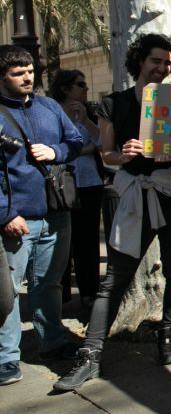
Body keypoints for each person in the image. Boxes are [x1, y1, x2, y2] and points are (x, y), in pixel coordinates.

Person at [54, 34, 171, 392]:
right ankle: (90, 355)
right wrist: (127, 153)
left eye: (167, 63)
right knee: (114, 278)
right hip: (135, 196)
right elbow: (106, 155)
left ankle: (169, 333)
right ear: (139, 61)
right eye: (156, 61)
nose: (162, 68)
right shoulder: (112, 104)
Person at [0, 46, 83, 386]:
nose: (28, 77)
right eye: (19, 73)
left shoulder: (49, 107)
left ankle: (53, 340)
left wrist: (56, 151)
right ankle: (6, 358)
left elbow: (77, 140)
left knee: (49, 283)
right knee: (6, 293)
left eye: (30, 70)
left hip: (56, 213)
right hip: (15, 222)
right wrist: (5, 213)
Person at [49, 69, 105, 309]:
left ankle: (89, 292)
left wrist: (87, 121)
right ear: (65, 88)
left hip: (90, 183)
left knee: (88, 240)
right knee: (62, 240)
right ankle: (58, 293)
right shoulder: (52, 112)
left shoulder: (90, 111)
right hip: (62, 184)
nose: (86, 89)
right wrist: (80, 148)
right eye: (80, 85)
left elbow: (104, 141)